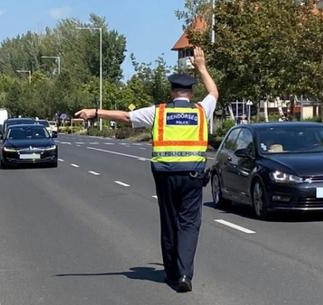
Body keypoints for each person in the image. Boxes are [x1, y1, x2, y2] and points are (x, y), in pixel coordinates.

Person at [75, 47, 218, 293]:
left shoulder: (159, 112)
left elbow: (126, 117)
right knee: (189, 224)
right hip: (193, 176)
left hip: (165, 176)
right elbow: (214, 92)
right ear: (191, 92)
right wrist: (202, 68)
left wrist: (95, 112)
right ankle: (184, 274)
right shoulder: (201, 111)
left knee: (170, 223)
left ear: (172, 91)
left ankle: (171, 273)